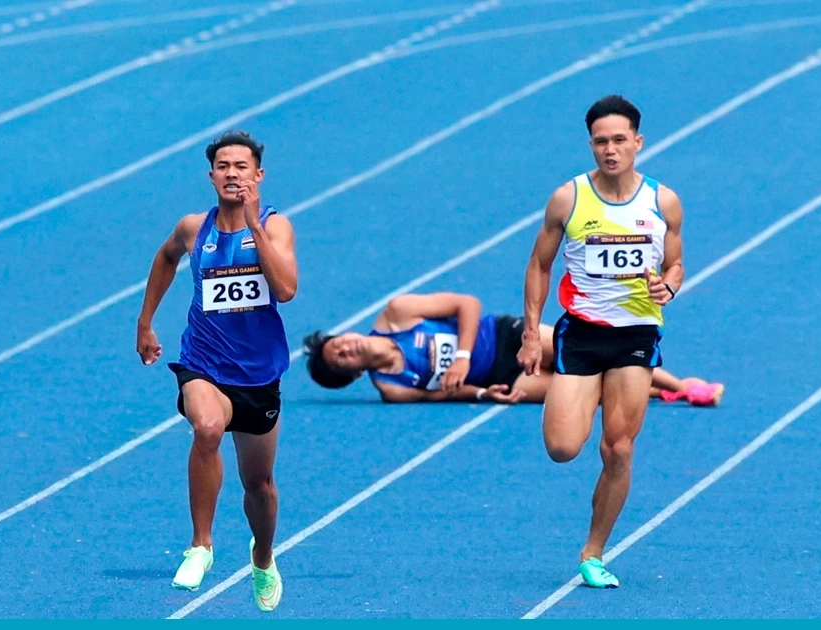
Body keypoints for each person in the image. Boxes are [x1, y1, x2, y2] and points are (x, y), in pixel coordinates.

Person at [517, 94, 685, 589]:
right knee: (564, 447)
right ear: (590, 145)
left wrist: (669, 285)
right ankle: (584, 396)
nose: (610, 150)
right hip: (583, 335)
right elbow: (539, 265)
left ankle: (594, 551)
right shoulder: (568, 199)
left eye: (618, 140)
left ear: (638, 142)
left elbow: (676, 262)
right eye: (600, 142)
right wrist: (531, 332)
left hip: (636, 337)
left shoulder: (663, 202)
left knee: (619, 449)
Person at [135, 130, 295, 611]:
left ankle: (263, 556)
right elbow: (165, 257)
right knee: (206, 428)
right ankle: (201, 545)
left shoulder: (275, 226)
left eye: (241, 166)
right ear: (211, 176)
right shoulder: (192, 229)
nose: (232, 173)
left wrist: (254, 227)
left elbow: (285, 289)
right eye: (223, 166)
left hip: (259, 374)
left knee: (260, 487)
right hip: (204, 362)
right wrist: (146, 322)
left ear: (258, 175)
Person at [302, 291, 722, 406]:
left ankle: (686, 386)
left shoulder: (398, 313)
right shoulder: (392, 387)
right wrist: (483, 392)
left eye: (340, 341)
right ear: (352, 374)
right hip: (503, 376)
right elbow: (444, 395)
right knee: (587, 392)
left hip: (503, 336)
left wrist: (463, 356)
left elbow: (467, 304)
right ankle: (659, 392)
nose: (348, 346)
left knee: (590, 351)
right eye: (341, 356)